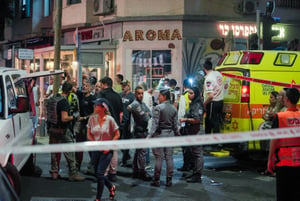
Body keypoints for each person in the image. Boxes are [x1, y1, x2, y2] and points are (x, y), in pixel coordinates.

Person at [267, 88, 300, 201]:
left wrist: (270, 159)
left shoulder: (280, 117)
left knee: (284, 194)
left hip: (284, 162)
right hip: (298, 162)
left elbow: (274, 140)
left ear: (286, 99)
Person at [48, 81, 85, 181]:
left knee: (54, 152)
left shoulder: (52, 98)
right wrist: (74, 116)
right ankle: (73, 173)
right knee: (70, 150)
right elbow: (64, 118)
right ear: (69, 91)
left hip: (52, 129)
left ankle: (54, 173)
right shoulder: (63, 102)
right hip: (62, 130)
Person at [87, 98, 120, 201]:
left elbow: (117, 134)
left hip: (107, 150)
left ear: (103, 107)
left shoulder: (110, 119)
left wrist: (109, 146)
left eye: (96, 105)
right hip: (96, 150)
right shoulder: (91, 119)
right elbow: (89, 134)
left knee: (100, 173)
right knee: (98, 174)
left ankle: (98, 198)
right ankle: (111, 187)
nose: (94, 107)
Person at [147, 89, 180, 187]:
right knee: (169, 157)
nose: (158, 97)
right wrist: (177, 134)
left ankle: (156, 180)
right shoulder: (174, 108)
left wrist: (149, 136)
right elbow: (175, 125)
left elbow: (155, 124)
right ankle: (169, 180)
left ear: (164, 97)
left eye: (160, 96)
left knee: (159, 158)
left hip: (160, 134)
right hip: (170, 134)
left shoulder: (158, 108)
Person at [97, 76, 123, 182]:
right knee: (114, 150)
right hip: (115, 126)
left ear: (104, 84)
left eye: (101, 85)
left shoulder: (101, 96)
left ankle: (105, 172)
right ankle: (113, 172)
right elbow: (121, 114)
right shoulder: (117, 96)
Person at [179, 87, 204, 183]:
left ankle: (197, 175)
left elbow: (197, 119)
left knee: (198, 154)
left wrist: (185, 120)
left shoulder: (197, 105)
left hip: (196, 132)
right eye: (189, 93)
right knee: (194, 153)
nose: (189, 95)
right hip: (191, 131)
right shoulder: (193, 103)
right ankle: (195, 172)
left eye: (191, 93)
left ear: (196, 94)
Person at [127, 86, 152, 181]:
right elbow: (145, 118)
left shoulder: (142, 103)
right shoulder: (136, 104)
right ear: (135, 94)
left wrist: (147, 114)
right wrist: (147, 114)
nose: (141, 95)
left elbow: (150, 113)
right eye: (139, 93)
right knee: (142, 153)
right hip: (139, 131)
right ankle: (142, 172)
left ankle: (136, 171)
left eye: (142, 93)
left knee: (138, 152)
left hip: (141, 130)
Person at [202, 59, 224, 134]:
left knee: (210, 122)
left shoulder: (209, 79)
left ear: (204, 69)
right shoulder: (218, 74)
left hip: (212, 103)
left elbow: (211, 96)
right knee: (216, 121)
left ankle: (212, 142)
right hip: (220, 101)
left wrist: (204, 103)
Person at [177, 78, 193, 172]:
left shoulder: (183, 96)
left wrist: (179, 126)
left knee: (185, 147)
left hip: (185, 124)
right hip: (192, 123)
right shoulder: (192, 95)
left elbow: (181, 112)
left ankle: (186, 165)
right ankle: (191, 164)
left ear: (183, 86)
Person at [119, 79, 135, 167]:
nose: (123, 87)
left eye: (124, 86)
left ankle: (124, 159)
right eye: (122, 85)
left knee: (125, 141)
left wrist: (131, 124)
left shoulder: (132, 97)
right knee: (118, 140)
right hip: (120, 121)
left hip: (127, 122)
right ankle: (127, 155)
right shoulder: (120, 95)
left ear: (128, 86)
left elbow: (133, 110)